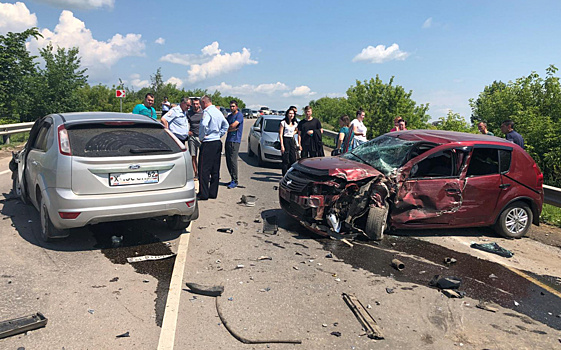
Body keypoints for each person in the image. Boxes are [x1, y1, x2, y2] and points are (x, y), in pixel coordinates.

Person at [198, 95, 229, 200]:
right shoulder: (217, 112)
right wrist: (219, 134)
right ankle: (213, 193)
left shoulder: (207, 112)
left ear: (203, 102)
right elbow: (226, 125)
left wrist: (201, 137)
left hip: (208, 142)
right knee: (215, 169)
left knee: (203, 169)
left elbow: (203, 125)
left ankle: (203, 193)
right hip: (217, 141)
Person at [225, 100, 244, 189]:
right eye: (231, 106)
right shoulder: (229, 116)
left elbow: (234, 125)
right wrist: (229, 128)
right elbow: (225, 126)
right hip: (228, 140)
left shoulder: (239, 115)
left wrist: (230, 128)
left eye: (233, 106)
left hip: (235, 140)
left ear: (236, 107)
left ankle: (235, 180)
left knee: (233, 160)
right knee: (228, 161)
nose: (232, 108)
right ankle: (232, 178)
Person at [188, 98, 204, 179]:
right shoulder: (189, 113)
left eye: (197, 104)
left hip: (201, 137)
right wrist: (187, 131)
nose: (195, 105)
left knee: (203, 156)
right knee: (193, 156)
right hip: (192, 137)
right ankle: (196, 173)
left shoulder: (203, 112)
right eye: (194, 104)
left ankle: (202, 173)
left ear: (200, 104)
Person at [279, 109, 299, 175]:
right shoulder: (283, 123)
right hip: (285, 140)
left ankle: (291, 174)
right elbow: (280, 134)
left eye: (292, 114)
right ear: (287, 114)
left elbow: (297, 130)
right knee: (285, 159)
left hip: (291, 140)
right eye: (290, 113)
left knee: (293, 158)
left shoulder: (294, 123)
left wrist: (292, 133)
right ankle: (284, 175)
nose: (291, 115)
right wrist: (282, 145)